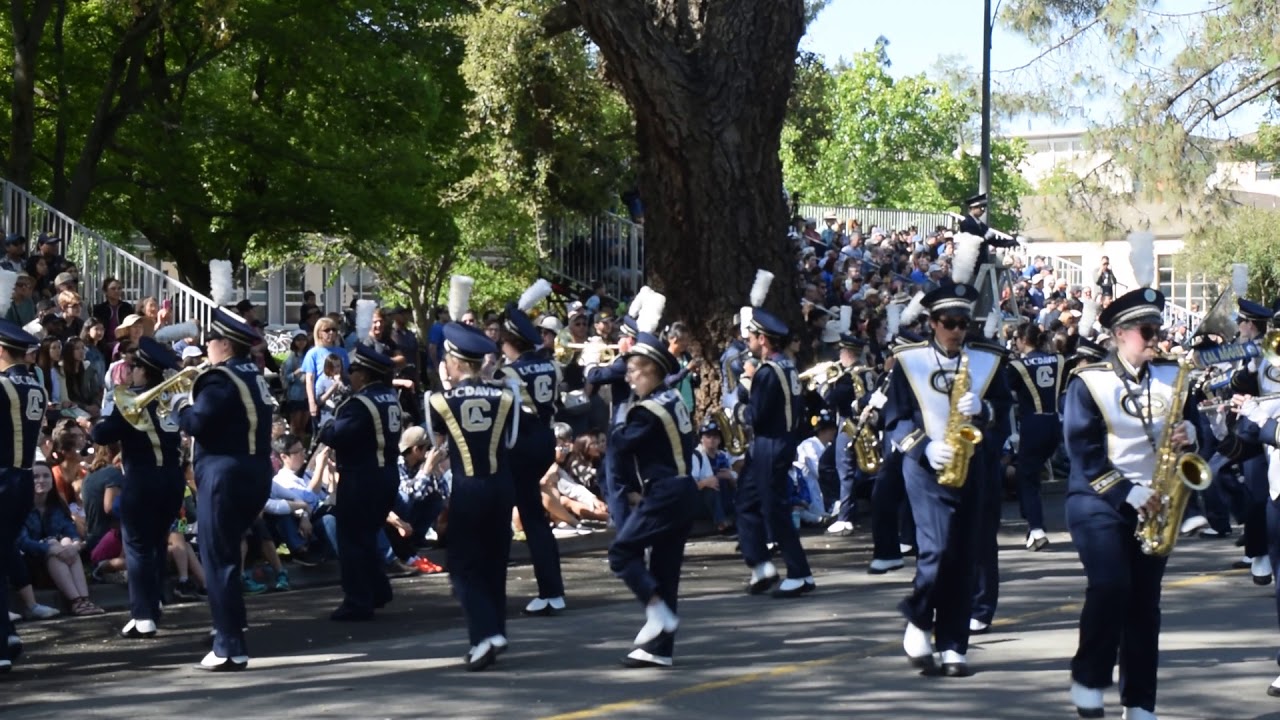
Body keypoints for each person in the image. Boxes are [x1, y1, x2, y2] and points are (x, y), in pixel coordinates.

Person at [1062, 286, 1199, 719]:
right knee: (1110, 586)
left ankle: (1140, 702)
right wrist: (1125, 491)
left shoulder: (1173, 376)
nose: (1155, 337)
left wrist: (1191, 436)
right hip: (1097, 499)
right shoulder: (1089, 381)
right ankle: (1089, 676)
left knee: (1144, 605)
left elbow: (1192, 429)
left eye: (1157, 328)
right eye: (1146, 330)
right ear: (1120, 333)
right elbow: (1081, 451)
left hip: (1156, 500)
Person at [882, 283, 1012, 677]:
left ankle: (954, 645)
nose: (957, 330)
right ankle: (920, 619)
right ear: (932, 323)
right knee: (936, 550)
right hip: (926, 469)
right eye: (949, 323)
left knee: (965, 556)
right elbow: (895, 419)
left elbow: (1005, 411)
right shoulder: (910, 361)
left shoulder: (988, 361)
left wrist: (985, 409)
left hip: (974, 465)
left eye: (963, 323)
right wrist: (923, 448)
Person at [172, 309, 274, 672]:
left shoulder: (220, 378)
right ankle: (233, 627)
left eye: (211, 341)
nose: (207, 347)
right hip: (255, 470)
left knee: (219, 560)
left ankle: (228, 643)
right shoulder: (253, 374)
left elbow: (198, 421)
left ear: (226, 345)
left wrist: (181, 406)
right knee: (229, 554)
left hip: (224, 473)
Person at [427, 317, 519, 671]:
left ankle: (484, 633)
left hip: (469, 486)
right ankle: (494, 631)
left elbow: (440, 443)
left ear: (453, 361)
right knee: (495, 562)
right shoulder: (506, 396)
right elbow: (508, 441)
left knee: (463, 565)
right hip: (501, 483)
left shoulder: (438, 400)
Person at [607, 327, 699, 668]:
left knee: (621, 551)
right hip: (683, 489)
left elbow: (620, 445)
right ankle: (660, 649)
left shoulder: (646, 411)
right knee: (664, 569)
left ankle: (656, 611)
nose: (629, 377)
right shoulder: (672, 399)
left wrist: (620, 415)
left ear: (651, 370)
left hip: (665, 493)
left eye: (634, 370)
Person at [90, 337, 187, 638]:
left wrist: (103, 415)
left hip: (142, 481)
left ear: (143, 372)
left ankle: (143, 614)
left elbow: (101, 434)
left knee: (138, 547)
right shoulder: (172, 399)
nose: (130, 372)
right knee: (156, 544)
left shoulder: (131, 402)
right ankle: (154, 605)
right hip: (172, 480)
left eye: (133, 367)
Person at [735, 273, 814, 599]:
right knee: (746, 503)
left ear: (763, 339)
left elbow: (756, 415)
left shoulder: (767, 372)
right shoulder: (787, 366)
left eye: (751, 336)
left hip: (770, 443)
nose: (748, 341)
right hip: (774, 444)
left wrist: (742, 394)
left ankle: (798, 572)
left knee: (774, 509)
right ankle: (761, 565)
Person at [318, 344, 403, 621]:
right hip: (386, 474)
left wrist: (327, 426)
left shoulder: (360, 404)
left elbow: (336, 435)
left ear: (364, 375)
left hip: (361, 477)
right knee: (367, 536)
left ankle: (358, 600)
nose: (350, 375)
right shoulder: (389, 398)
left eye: (353, 370)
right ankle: (378, 588)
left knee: (352, 540)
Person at [499, 282, 567, 616]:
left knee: (516, 515)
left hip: (520, 444)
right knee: (533, 517)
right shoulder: (551, 365)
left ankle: (546, 590)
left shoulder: (509, 371)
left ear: (510, 340)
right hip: (545, 439)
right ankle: (552, 588)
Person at [0, 317, 48, 674]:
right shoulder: (36, 386)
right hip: (25, 479)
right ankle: (9, 633)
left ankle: (2, 642)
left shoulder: (2, 386)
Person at [1007, 323, 1065, 552]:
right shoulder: (1058, 360)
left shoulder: (1017, 365)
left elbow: (1006, 391)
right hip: (1055, 422)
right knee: (1030, 474)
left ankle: (1036, 528)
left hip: (1033, 423)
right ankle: (1030, 518)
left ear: (1023, 339)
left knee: (1028, 478)